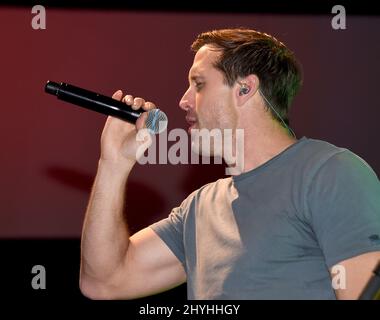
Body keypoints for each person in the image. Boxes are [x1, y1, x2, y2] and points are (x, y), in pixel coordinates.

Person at [79, 28, 380, 300]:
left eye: (198, 84)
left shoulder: (330, 173)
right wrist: (113, 163)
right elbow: (103, 281)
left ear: (245, 89)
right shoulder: (199, 208)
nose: (183, 101)